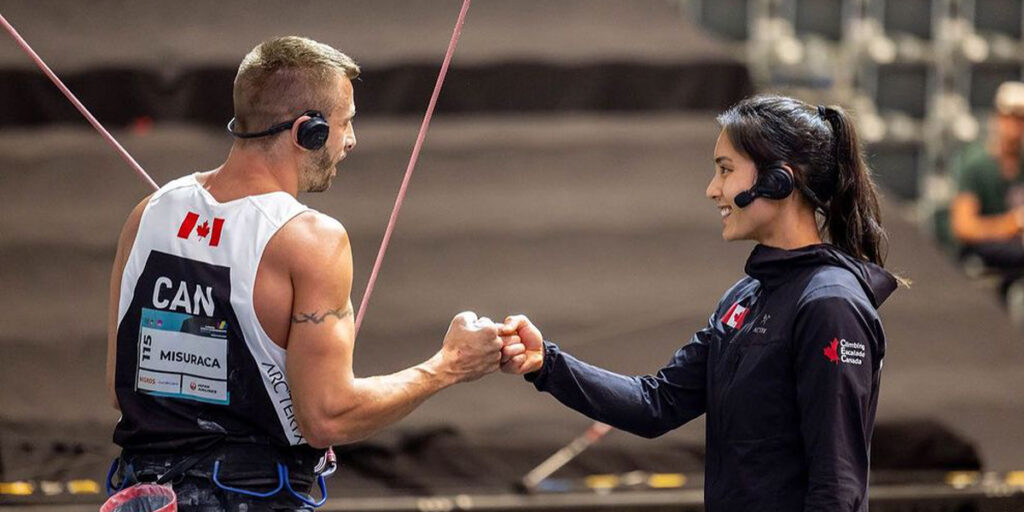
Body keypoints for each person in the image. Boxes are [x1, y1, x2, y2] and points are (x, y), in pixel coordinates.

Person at [106, 36, 507, 511]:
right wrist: (449, 365)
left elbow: (121, 387)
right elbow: (328, 418)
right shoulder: (310, 239)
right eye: (346, 123)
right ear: (308, 132)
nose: (351, 140)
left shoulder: (148, 213)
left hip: (143, 497)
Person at [499, 95, 899, 511]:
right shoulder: (744, 297)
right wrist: (546, 363)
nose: (713, 190)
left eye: (725, 170)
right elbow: (657, 404)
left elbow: (838, 488)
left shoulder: (830, 305)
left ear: (779, 180)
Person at [950, 81, 1024, 271]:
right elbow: (963, 226)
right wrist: (1008, 225)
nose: (1014, 127)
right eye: (1009, 117)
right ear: (997, 118)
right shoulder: (977, 164)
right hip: (986, 251)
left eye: (1020, 119)